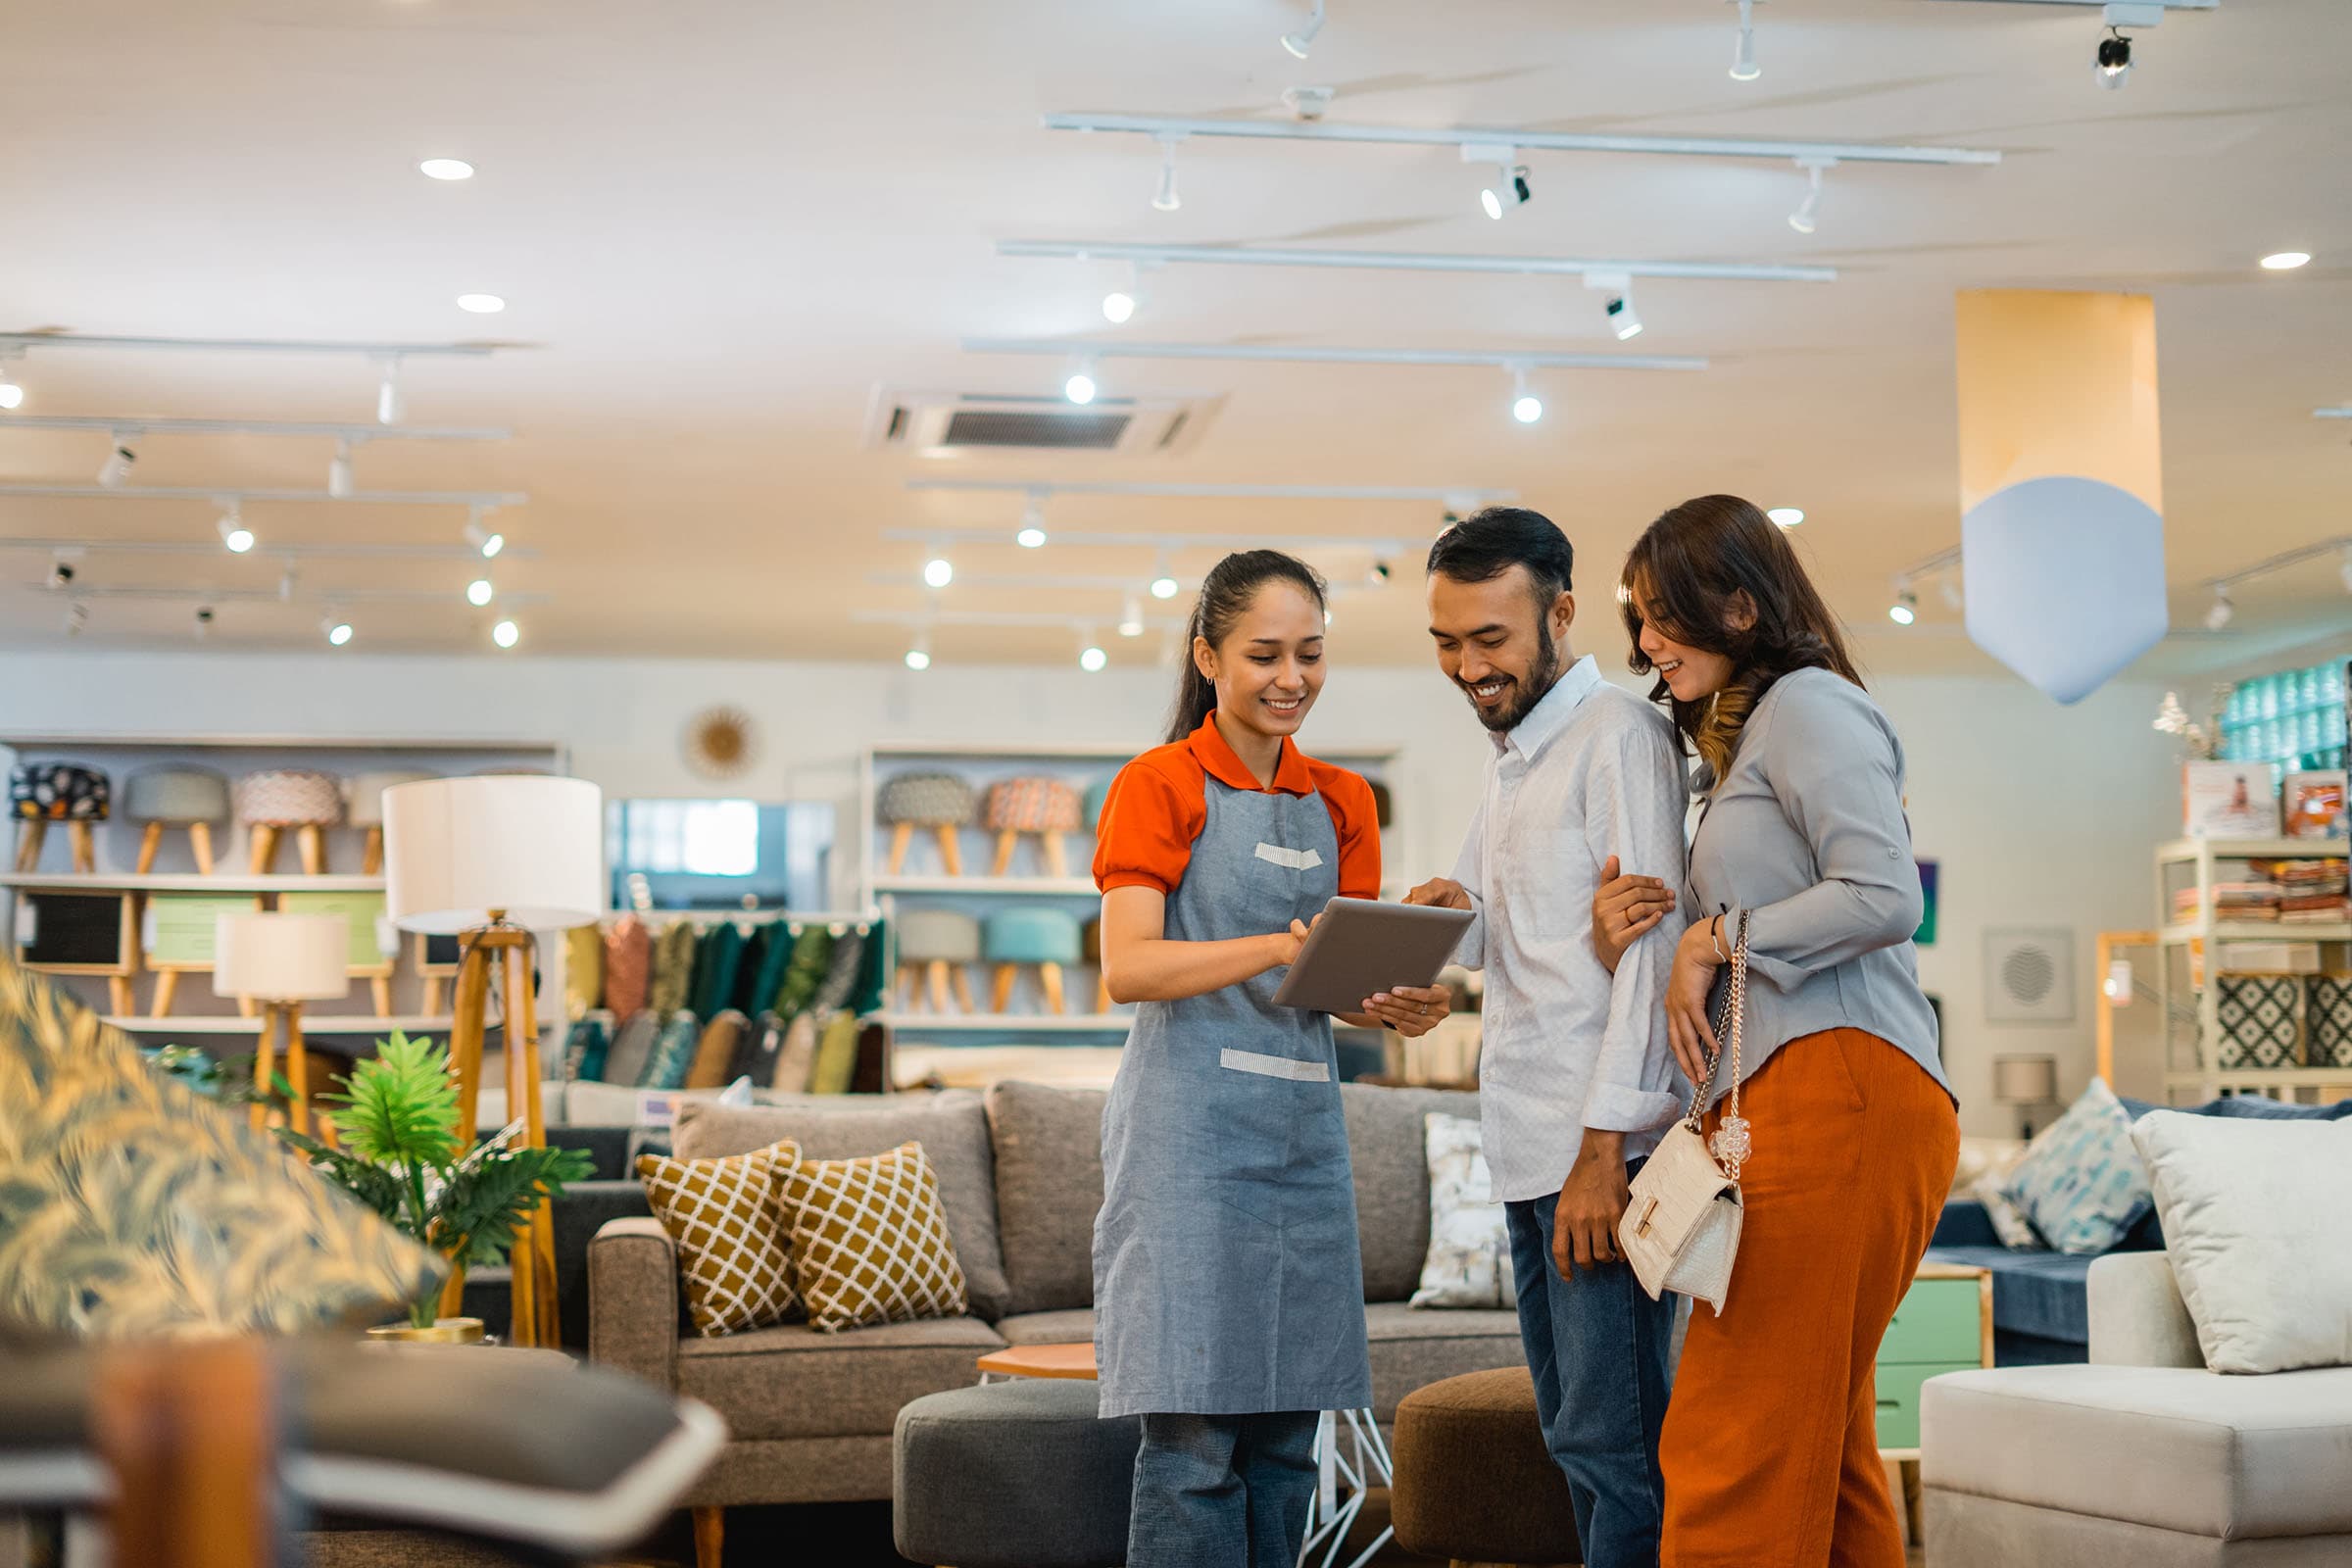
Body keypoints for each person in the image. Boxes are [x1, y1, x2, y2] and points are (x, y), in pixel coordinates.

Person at [1597, 494, 1960, 1568]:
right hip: (1802, 1100)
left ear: (1742, 608)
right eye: (1640, 623)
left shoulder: (1811, 707)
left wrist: (1720, 935)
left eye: (1664, 617)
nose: (1647, 645)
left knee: (1732, 1441)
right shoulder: (1751, 734)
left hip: (1840, 1091)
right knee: (1822, 1451)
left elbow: (1888, 895)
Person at [1092, 549, 1455, 1568]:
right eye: (1263, 654)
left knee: (1290, 1438)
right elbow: (1129, 966)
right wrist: (1278, 944)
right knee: (1196, 1436)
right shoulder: (1157, 785)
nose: (1290, 677)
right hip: (1187, 1141)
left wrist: (1399, 1001)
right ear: (1210, 656)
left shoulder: (1343, 800)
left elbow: (1336, 992)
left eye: (1310, 653)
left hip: (1300, 1142)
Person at [1401, 506, 1689, 1567]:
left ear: (1561, 614)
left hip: (1596, 1156)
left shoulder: (1618, 737)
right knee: (1581, 1440)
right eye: (1445, 640)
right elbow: (1502, 923)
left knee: (1620, 1449)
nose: (1466, 665)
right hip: (1528, 1150)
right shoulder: (1517, 749)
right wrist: (1442, 912)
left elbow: (1648, 953)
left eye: (1489, 638)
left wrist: (1603, 1153)